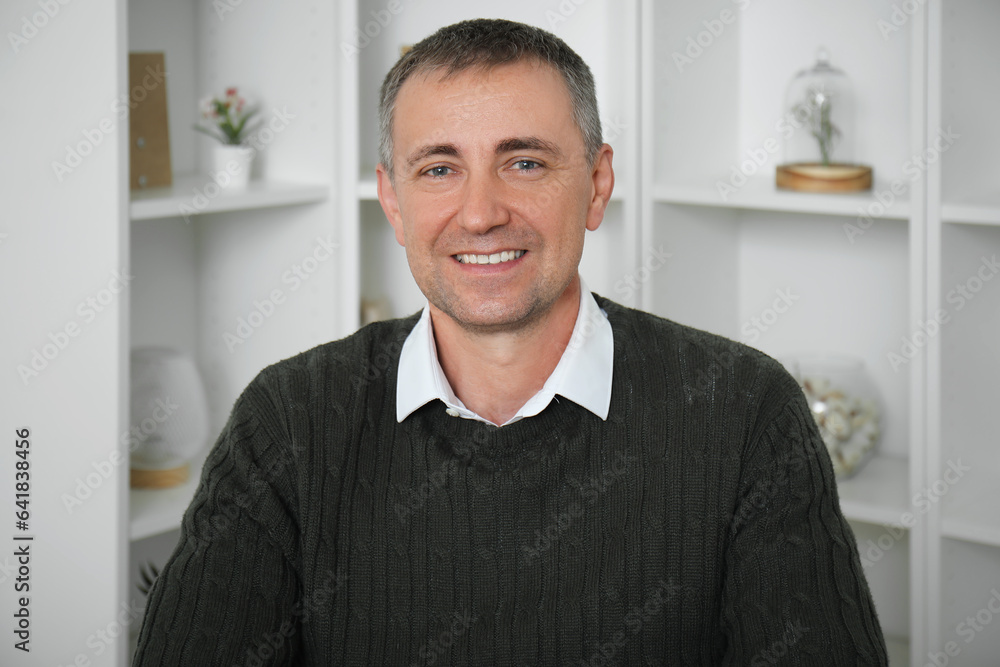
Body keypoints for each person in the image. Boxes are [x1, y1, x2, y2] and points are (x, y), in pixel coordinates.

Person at [134, 18, 888, 665]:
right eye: (439, 168)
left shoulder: (745, 411)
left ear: (595, 185)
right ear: (392, 200)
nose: (481, 212)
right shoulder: (290, 419)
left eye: (524, 162)